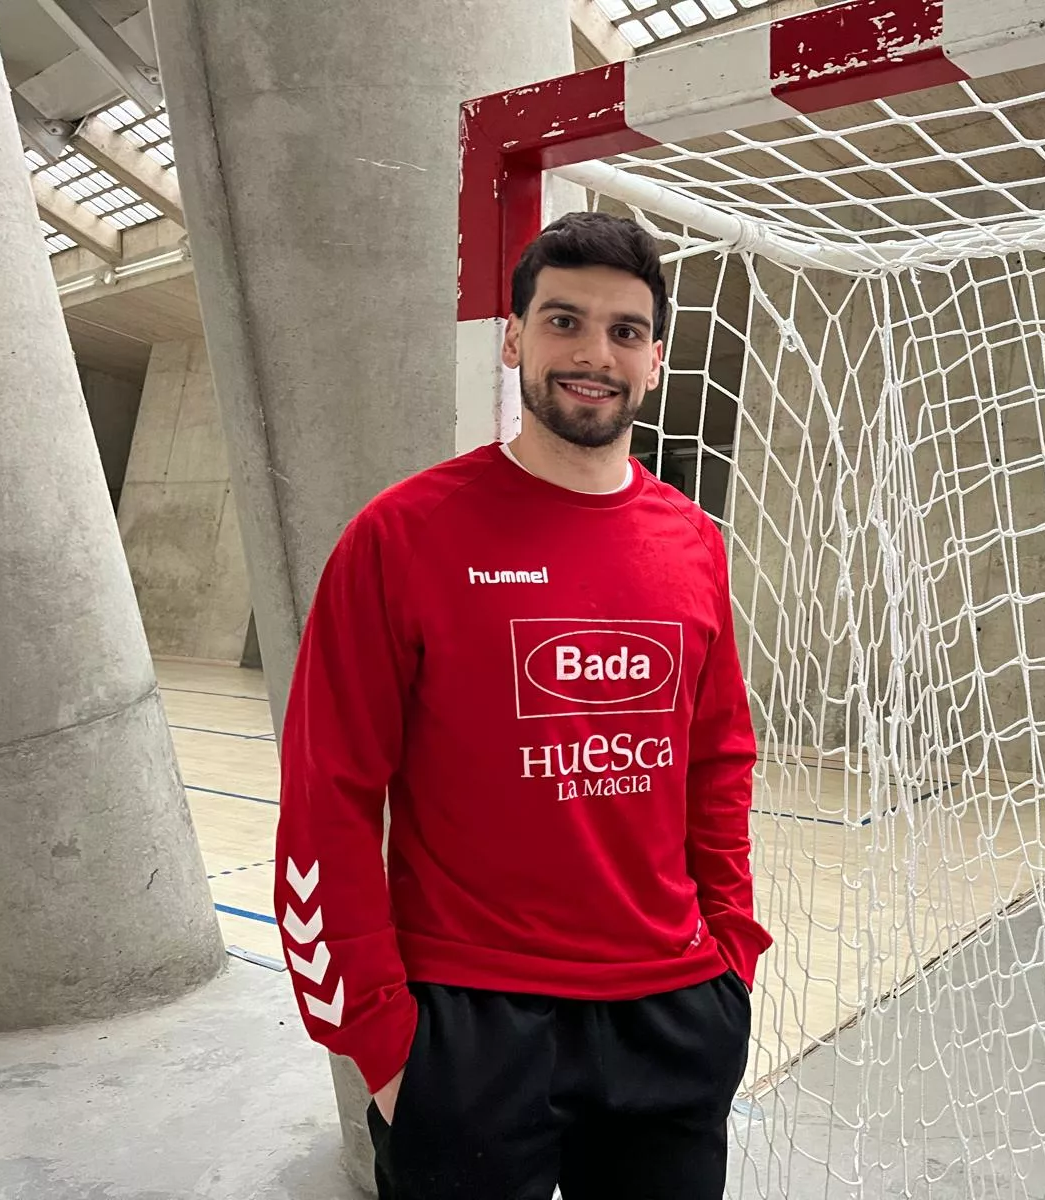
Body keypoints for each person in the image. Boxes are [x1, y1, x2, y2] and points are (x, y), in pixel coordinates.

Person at [272, 211, 772, 1199]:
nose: (594, 353)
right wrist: (378, 1041)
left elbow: (718, 760)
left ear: (657, 359)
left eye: (624, 331)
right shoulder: (399, 537)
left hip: (670, 1010)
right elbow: (326, 796)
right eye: (563, 321)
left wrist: (731, 966)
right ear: (513, 339)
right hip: (470, 1021)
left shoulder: (693, 544)